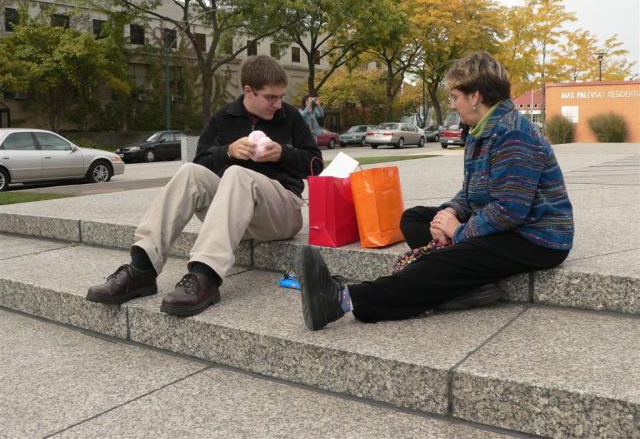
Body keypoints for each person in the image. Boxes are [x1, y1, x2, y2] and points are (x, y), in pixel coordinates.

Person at [299, 51, 574, 331]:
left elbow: (509, 210)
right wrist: (451, 212)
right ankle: (467, 288)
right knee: (414, 219)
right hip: (502, 221)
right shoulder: (482, 128)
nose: (453, 105)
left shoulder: (513, 133)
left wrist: (458, 232)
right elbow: (471, 193)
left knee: (445, 259)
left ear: (475, 96)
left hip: (535, 237)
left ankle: (342, 300)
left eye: (455, 97)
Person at [87, 55, 322, 317]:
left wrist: (283, 154)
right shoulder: (224, 118)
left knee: (238, 174)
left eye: (281, 96)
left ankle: (205, 275)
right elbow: (202, 162)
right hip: (233, 212)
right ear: (248, 90)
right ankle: (142, 267)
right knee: (190, 172)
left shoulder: (290, 117)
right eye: (270, 97)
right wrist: (228, 151)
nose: (278, 104)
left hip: (281, 212)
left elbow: (316, 165)